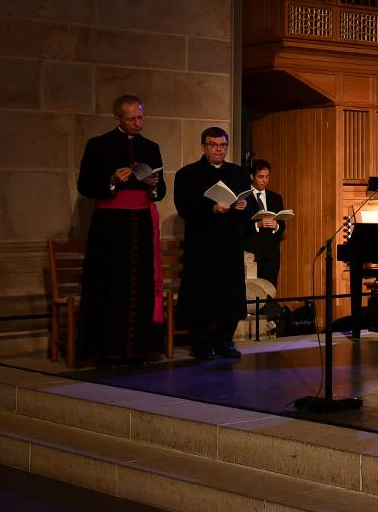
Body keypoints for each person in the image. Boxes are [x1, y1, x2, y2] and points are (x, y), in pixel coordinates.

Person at [76, 94, 167, 365]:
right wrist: (112, 181)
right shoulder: (98, 145)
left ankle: (139, 349)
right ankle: (109, 351)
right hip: (110, 229)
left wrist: (152, 184)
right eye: (132, 119)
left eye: (141, 117)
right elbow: (84, 186)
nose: (138, 123)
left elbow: (160, 191)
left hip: (141, 224)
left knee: (141, 285)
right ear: (118, 119)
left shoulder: (151, 147)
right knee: (111, 285)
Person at [174, 127, 251, 361]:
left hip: (229, 243)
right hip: (202, 244)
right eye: (213, 145)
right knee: (201, 295)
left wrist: (243, 207)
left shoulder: (237, 173)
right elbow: (184, 207)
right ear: (203, 147)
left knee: (230, 294)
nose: (219, 149)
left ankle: (224, 342)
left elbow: (250, 204)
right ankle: (202, 344)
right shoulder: (187, 174)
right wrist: (212, 208)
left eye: (223, 145)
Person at [242, 159, 286, 286]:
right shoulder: (244, 197)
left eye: (267, 177)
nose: (265, 180)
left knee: (270, 290)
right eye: (260, 177)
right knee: (251, 292)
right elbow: (239, 225)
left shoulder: (276, 197)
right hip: (251, 253)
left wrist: (276, 226)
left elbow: (282, 227)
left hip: (271, 254)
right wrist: (257, 225)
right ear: (252, 176)